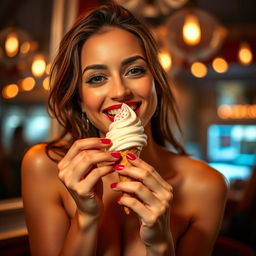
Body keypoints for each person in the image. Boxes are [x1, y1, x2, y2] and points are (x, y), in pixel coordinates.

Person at [21, 2, 228, 256]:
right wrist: (85, 219)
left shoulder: (206, 186)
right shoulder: (44, 167)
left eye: (135, 70)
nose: (120, 91)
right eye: (97, 78)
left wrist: (161, 244)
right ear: (80, 101)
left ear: (156, 84)